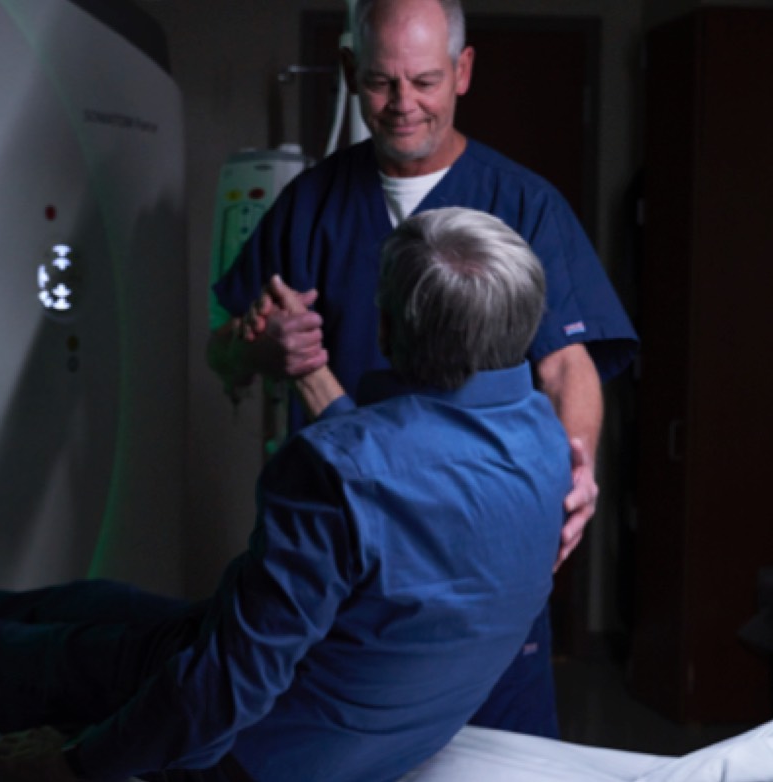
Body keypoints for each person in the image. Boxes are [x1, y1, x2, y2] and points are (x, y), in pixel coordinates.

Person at [0, 207, 570, 782]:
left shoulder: (336, 472)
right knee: (77, 603)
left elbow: (228, 689)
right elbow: (417, 483)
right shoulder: (542, 439)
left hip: (262, 744)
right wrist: (314, 380)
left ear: (387, 325)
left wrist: (76, 769)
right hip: (365, 716)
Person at [207, 0, 638, 738]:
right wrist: (259, 349)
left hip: (480, 553)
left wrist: (578, 469)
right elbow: (225, 356)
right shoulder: (310, 205)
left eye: (425, 81)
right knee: (336, 735)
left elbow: (569, 365)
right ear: (349, 73)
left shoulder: (523, 206)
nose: (403, 105)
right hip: (345, 552)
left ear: (463, 72)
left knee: (498, 750)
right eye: (380, 82)